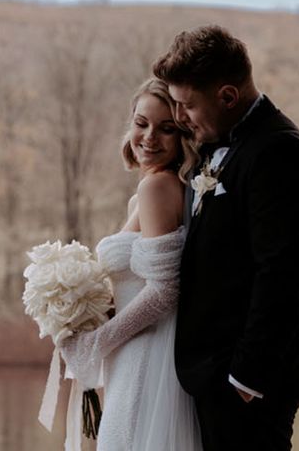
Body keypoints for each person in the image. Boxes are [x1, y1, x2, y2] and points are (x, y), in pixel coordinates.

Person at [153, 25, 299, 451]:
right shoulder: (217, 142)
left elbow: (284, 273)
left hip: (248, 381)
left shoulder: (278, 151)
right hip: (212, 373)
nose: (180, 117)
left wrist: (245, 379)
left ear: (228, 96)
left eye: (187, 105)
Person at [59, 77, 203, 451]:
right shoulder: (149, 191)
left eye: (166, 129)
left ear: (182, 135)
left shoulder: (157, 188)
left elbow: (165, 291)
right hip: (133, 348)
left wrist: (95, 343)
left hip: (148, 351)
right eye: (142, 123)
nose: (150, 137)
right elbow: (139, 284)